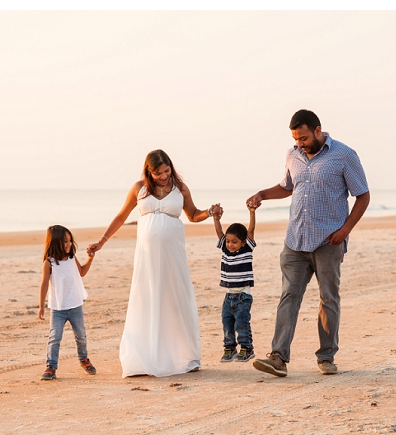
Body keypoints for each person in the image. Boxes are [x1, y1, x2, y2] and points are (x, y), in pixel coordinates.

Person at [246, 109, 370, 377]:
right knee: (289, 295)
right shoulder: (293, 155)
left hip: (329, 240)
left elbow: (363, 196)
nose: (299, 143)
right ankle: (278, 357)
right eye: (295, 139)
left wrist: (345, 230)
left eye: (303, 138)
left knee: (328, 298)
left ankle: (326, 357)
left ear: (317, 130)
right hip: (295, 240)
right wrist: (262, 195)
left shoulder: (344, 155)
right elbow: (288, 186)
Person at [86, 149, 221, 378]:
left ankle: (184, 356)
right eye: (158, 173)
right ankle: (142, 359)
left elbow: (192, 214)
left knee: (175, 298)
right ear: (149, 171)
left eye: (167, 170)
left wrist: (209, 212)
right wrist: (102, 241)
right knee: (146, 298)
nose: (164, 176)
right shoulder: (139, 189)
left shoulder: (180, 189)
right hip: (146, 258)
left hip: (173, 254)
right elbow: (121, 216)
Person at [38, 225, 97, 381]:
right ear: (55, 242)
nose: (68, 244)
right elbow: (44, 284)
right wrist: (41, 306)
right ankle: (51, 366)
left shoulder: (72, 258)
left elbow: (82, 272)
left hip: (75, 305)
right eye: (65, 241)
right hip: (58, 308)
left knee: (81, 336)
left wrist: (90, 258)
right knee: (55, 337)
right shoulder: (49, 263)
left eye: (70, 241)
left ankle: (83, 359)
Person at [213, 203, 257, 363]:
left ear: (243, 242)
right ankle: (229, 348)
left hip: (243, 296)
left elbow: (251, 230)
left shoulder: (247, 249)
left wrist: (252, 212)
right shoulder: (225, 250)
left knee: (241, 323)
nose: (230, 245)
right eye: (228, 241)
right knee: (227, 323)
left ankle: (247, 348)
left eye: (234, 242)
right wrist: (216, 218)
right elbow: (219, 233)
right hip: (229, 296)